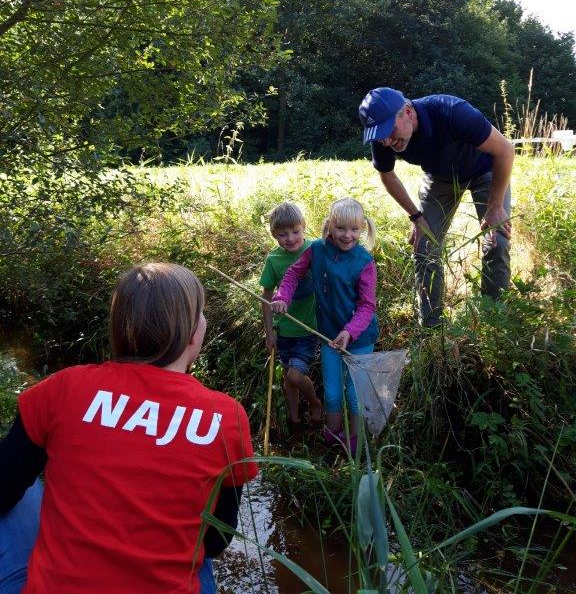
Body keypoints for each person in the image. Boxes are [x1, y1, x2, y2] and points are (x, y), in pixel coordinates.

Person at [0, 262, 258, 594]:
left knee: (29, 489)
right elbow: (218, 539)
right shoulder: (228, 417)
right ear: (194, 333)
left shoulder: (62, 387)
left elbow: (4, 490)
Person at [358, 87, 514, 328]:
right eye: (380, 137)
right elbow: (387, 176)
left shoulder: (451, 111)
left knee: (497, 241)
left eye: (390, 132)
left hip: (485, 171)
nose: (386, 141)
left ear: (408, 112)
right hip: (440, 177)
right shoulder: (383, 136)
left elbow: (505, 150)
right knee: (424, 246)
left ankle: (495, 322)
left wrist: (495, 206)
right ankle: (431, 328)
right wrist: (416, 217)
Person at [271, 198, 379, 455]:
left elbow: (367, 306)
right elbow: (293, 274)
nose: (347, 235)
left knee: (354, 395)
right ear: (330, 226)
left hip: (360, 339)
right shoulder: (316, 250)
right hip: (328, 335)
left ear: (362, 229)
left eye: (354, 229)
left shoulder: (364, 261)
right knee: (331, 392)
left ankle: (353, 441)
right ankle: (331, 435)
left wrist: (349, 331)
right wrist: (282, 296)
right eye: (341, 228)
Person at [259, 202, 322, 433]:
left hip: (308, 329)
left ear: (304, 227)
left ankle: (315, 403)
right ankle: (294, 421)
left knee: (295, 375)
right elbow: (265, 297)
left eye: (295, 231)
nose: (290, 238)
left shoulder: (315, 250)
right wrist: (269, 333)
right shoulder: (274, 260)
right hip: (284, 330)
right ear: (274, 234)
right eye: (282, 234)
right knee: (287, 379)